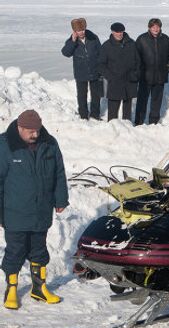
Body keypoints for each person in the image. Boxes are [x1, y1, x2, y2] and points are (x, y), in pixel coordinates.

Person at [0, 110, 69, 310]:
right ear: (19, 128)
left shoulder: (50, 143)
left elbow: (59, 172)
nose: (35, 135)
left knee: (39, 250)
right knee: (15, 251)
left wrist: (61, 198)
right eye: (30, 131)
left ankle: (39, 289)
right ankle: (11, 289)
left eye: (37, 130)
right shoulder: (4, 145)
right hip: (15, 211)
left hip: (41, 209)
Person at [134, 18, 169, 125]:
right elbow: (135, 57)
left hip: (160, 77)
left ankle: (153, 123)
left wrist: (168, 67)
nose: (156, 29)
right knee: (142, 101)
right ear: (149, 27)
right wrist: (140, 71)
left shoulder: (165, 39)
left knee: (156, 102)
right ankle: (139, 122)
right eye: (153, 27)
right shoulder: (142, 39)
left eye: (158, 26)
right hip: (145, 77)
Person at [61, 18, 102, 120]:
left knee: (96, 95)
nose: (82, 32)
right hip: (81, 73)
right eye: (79, 31)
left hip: (95, 71)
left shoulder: (93, 37)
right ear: (74, 31)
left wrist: (101, 68)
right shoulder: (71, 40)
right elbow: (66, 53)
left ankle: (95, 115)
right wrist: (73, 41)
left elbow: (101, 53)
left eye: (83, 30)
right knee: (82, 95)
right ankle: (83, 115)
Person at [98, 22, 140, 122]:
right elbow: (101, 65)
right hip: (115, 83)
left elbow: (139, 62)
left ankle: (127, 129)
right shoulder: (107, 46)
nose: (119, 34)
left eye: (121, 32)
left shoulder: (131, 44)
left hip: (129, 82)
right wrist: (110, 76)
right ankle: (112, 131)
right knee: (113, 112)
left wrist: (135, 75)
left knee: (127, 112)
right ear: (112, 32)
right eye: (117, 32)